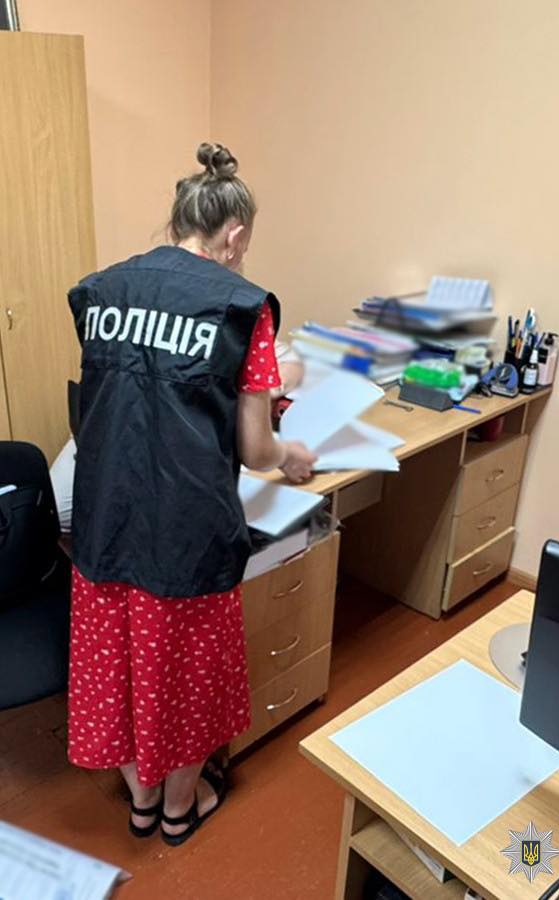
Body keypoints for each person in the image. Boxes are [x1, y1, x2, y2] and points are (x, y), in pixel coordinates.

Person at [66, 142, 317, 846]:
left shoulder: (100, 290)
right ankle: (179, 811)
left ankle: (141, 802)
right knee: (186, 681)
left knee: (113, 671)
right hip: (187, 532)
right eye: (247, 245)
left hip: (104, 521)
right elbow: (256, 449)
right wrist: (290, 455)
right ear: (233, 235)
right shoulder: (243, 307)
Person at [50, 342, 305, 533]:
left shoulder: (232, 323)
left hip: (180, 464)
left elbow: (290, 363)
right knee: (59, 511)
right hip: (120, 436)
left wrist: (266, 390)